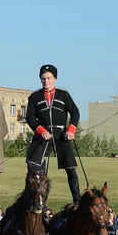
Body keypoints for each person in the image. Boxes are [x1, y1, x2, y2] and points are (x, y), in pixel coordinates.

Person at [25, 64, 81, 204]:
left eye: (49, 78)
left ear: (55, 79)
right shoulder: (34, 96)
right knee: (33, 166)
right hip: (42, 133)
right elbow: (30, 118)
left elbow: (75, 112)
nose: (46, 81)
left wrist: (71, 130)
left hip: (61, 134)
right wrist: (41, 131)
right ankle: (34, 200)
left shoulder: (63, 95)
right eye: (43, 79)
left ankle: (77, 200)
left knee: (70, 169)